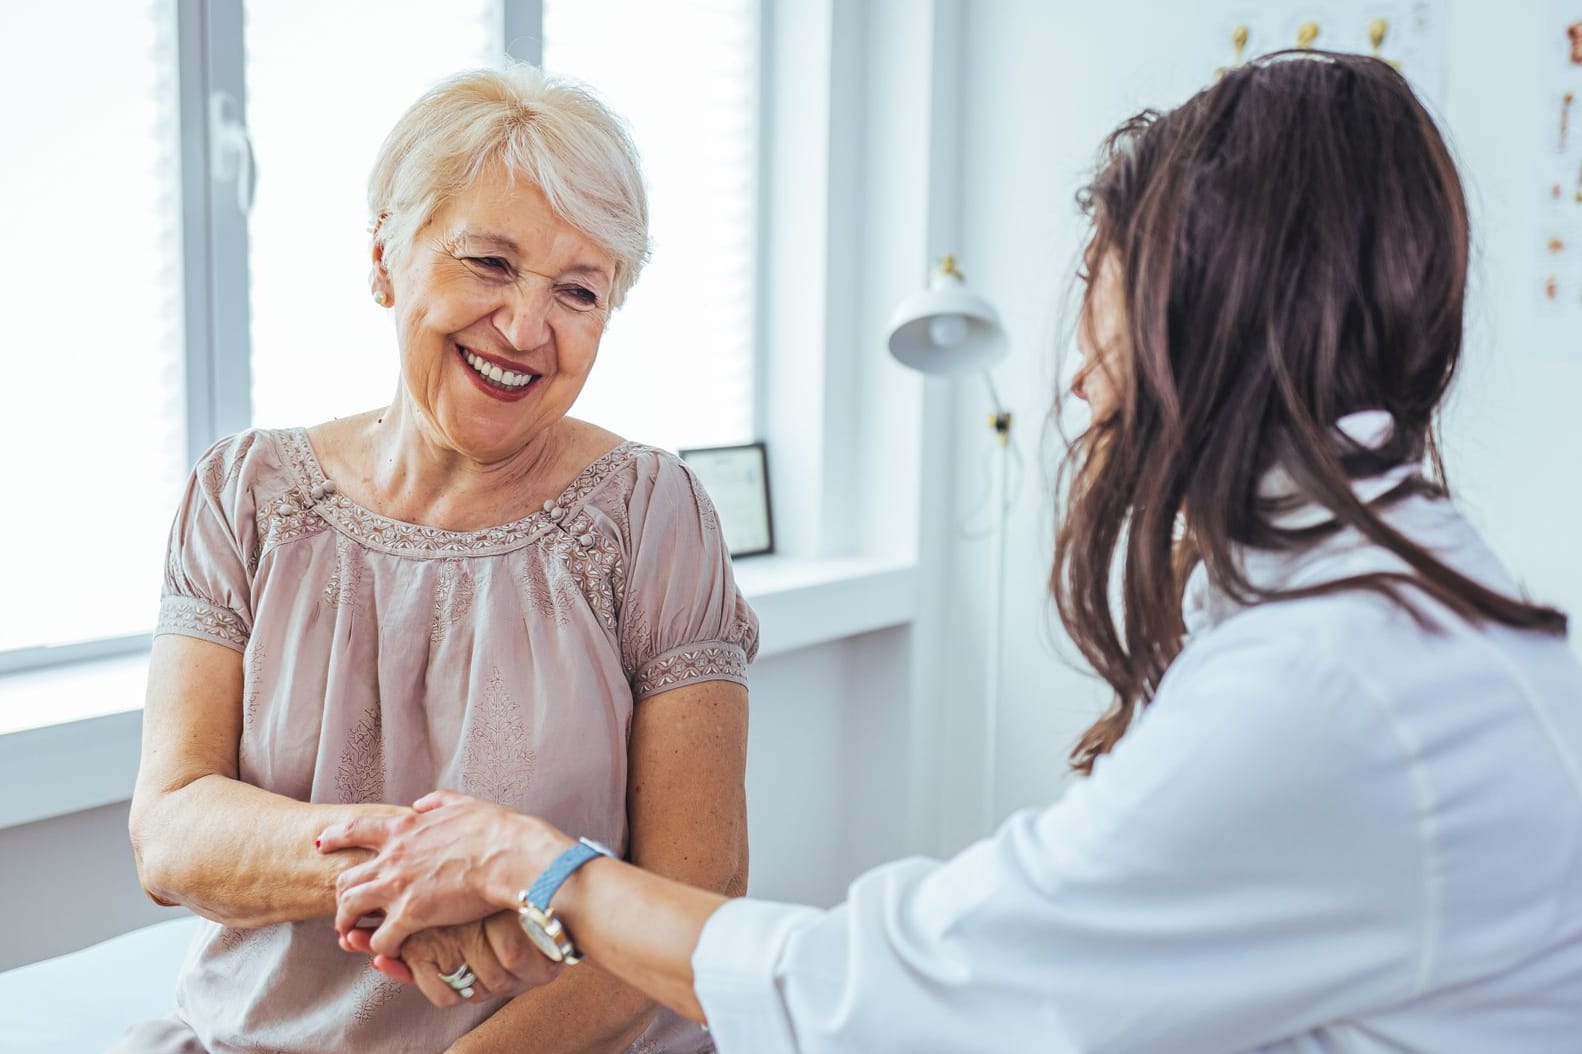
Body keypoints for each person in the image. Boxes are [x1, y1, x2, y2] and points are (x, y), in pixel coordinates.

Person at [315, 51, 1582, 1053]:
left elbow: (895, 990)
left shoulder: (1326, 681)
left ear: (1189, 302)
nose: (1076, 372)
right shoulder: (1369, 607)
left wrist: (538, 867)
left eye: (1101, 273)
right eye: (485, 260)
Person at [120, 64, 757, 1054]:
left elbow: (699, 884)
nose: (525, 328)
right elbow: (171, 834)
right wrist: (426, 866)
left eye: (578, 290)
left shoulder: (654, 513)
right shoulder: (241, 493)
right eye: (489, 263)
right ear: (383, 256)